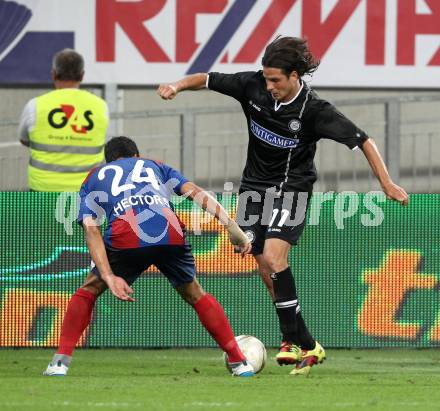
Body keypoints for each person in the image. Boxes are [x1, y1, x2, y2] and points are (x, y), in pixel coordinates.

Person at [158, 36, 409, 376]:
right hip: (253, 191)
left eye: (276, 80)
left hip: (292, 189)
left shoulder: (314, 110)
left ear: (295, 76)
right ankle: (306, 343)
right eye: (266, 78)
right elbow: (205, 79)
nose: (269, 85)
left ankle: (290, 338)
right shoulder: (252, 85)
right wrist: (177, 85)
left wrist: (386, 183)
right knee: (261, 263)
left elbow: (363, 140)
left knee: (275, 258)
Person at [43, 136, 254, 377]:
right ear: (136, 155)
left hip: (127, 234)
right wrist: (230, 225)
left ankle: (60, 363)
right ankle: (240, 362)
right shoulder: (155, 165)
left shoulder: (95, 176)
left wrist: (108, 275)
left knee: (89, 289)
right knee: (195, 292)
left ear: (108, 160)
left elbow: (91, 228)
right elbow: (194, 192)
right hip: (169, 231)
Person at [18, 48, 108, 191]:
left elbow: (24, 139)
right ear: (82, 75)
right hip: (86, 192)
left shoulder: (35, 105)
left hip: (42, 192)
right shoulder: (101, 106)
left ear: (54, 74)